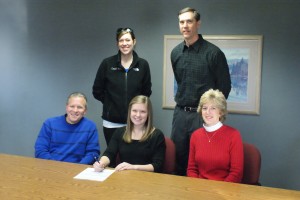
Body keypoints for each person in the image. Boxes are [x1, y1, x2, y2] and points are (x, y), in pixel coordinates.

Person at [170, 7, 231, 176]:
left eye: (189, 21)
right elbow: (181, 82)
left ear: (198, 24)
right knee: (179, 159)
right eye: (182, 22)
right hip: (181, 115)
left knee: (203, 160)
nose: (185, 26)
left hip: (203, 114)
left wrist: (211, 112)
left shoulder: (213, 53)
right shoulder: (175, 53)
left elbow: (224, 88)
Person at [93, 27, 152, 146]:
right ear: (117, 43)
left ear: (134, 41)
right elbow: (97, 90)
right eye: (121, 40)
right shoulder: (107, 64)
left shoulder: (143, 64)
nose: (124, 44)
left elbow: (146, 92)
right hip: (111, 122)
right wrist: (110, 103)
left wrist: (136, 109)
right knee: (113, 157)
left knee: (134, 157)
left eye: (128, 40)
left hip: (136, 120)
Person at [93, 95, 166, 173]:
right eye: (134, 111)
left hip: (148, 178)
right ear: (129, 112)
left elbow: (157, 165)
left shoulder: (157, 135)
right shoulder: (120, 132)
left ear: (148, 114)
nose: (138, 115)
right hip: (125, 177)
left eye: (143, 112)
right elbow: (109, 153)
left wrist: (133, 167)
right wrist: (101, 163)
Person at [187, 89, 243, 183]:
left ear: (220, 112)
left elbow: (236, 173)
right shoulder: (195, 136)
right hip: (199, 190)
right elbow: (191, 169)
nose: (208, 112)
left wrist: (219, 191)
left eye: (213, 108)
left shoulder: (234, 135)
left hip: (224, 191)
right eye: (204, 108)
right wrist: (197, 188)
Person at [35, 92, 100, 165]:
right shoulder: (49, 124)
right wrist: (55, 165)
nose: (75, 110)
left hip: (77, 169)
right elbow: (40, 150)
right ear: (66, 107)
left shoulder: (90, 127)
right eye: (72, 106)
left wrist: (77, 167)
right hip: (51, 167)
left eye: (79, 107)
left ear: (85, 111)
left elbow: (93, 153)